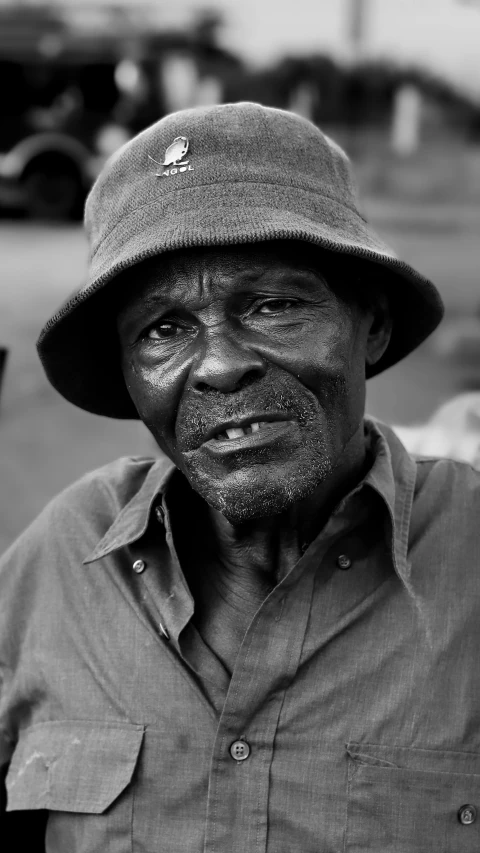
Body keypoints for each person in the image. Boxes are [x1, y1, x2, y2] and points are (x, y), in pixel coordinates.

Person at [1, 102, 480, 853]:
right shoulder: (61, 556)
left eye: (275, 305)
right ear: (130, 374)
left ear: (373, 324)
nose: (222, 364)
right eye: (163, 328)